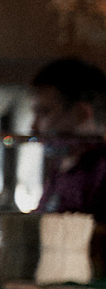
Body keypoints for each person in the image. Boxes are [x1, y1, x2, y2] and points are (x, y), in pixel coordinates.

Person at [30, 55, 106, 216]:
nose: (34, 127)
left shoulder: (100, 170)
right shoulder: (62, 167)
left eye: (44, 112)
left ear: (81, 113)